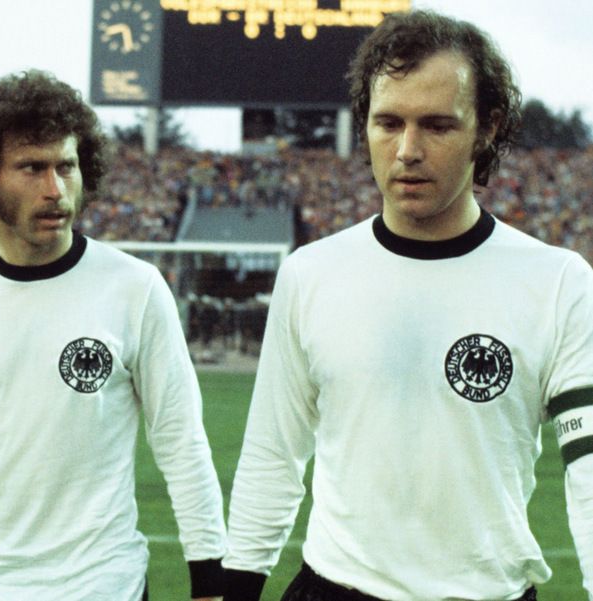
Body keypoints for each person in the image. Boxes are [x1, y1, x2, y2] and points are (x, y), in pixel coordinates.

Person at [222, 10, 593, 601]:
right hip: (334, 589)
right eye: (388, 122)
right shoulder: (311, 275)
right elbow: (273, 451)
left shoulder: (558, 282)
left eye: (437, 125)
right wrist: (239, 585)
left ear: (488, 127)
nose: (407, 150)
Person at [0, 70, 225, 601]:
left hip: (100, 585)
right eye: (31, 168)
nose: (55, 189)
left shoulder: (134, 289)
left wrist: (209, 578)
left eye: (66, 166)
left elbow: (181, 442)